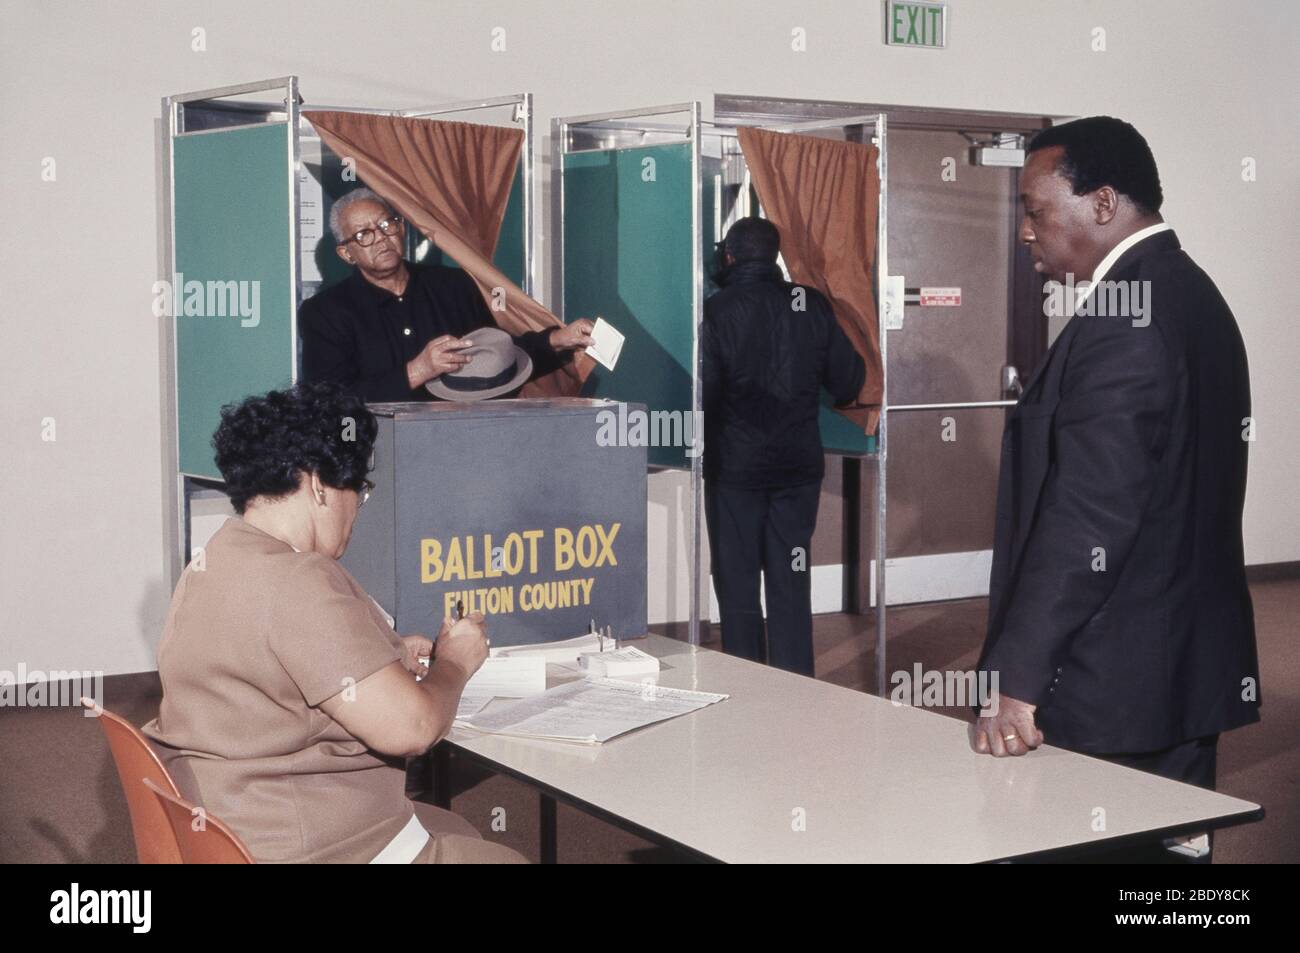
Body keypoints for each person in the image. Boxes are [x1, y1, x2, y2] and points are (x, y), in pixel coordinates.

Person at [972, 118, 1260, 807]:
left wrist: (1019, 680)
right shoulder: (1194, 295)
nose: (1025, 232)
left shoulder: (1124, 322)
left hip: (1112, 681)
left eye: (1036, 211)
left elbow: (1088, 520)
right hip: (1181, 664)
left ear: (1102, 203)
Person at [143, 382, 526, 863]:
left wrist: (381, 658)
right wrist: (455, 662)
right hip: (311, 844)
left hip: (231, 823)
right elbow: (414, 727)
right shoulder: (300, 578)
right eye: (358, 490)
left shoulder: (217, 559)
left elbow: (274, 666)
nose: (357, 510)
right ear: (319, 484)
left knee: (456, 826)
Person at [701, 217, 866, 676]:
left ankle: (749, 683)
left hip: (735, 469)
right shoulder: (807, 303)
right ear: (775, 257)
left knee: (737, 581)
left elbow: (707, 395)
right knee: (790, 576)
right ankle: (796, 684)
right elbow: (848, 379)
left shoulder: (718, 310)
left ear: (729, 257)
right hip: (797, 467)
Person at [299, 187, 593, 402]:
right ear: (346, 253)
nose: (381, 238)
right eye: (364, 234)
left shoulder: (451, 285)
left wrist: (558, 339)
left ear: (401, 229)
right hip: (378, 453)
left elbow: (497, 355)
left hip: (458, 440)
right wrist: (417, 370)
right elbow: (329, 401)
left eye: (386, 224)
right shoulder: (325, 313)